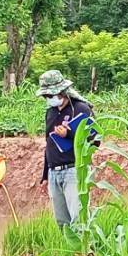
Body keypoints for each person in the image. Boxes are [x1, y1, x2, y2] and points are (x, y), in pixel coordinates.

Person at [36, 69, 100, 227]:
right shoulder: (50, 113)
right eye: (46, 96)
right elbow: (49, 143)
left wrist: (69, 134)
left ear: (61, 92)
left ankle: (86, 251)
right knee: (62, 221)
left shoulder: (81, 109)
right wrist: (45, 174)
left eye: (50, 96)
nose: (48, 99)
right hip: (54, 172)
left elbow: (96, 139)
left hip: (74, 170)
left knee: (78, 218)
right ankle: (69, 251)